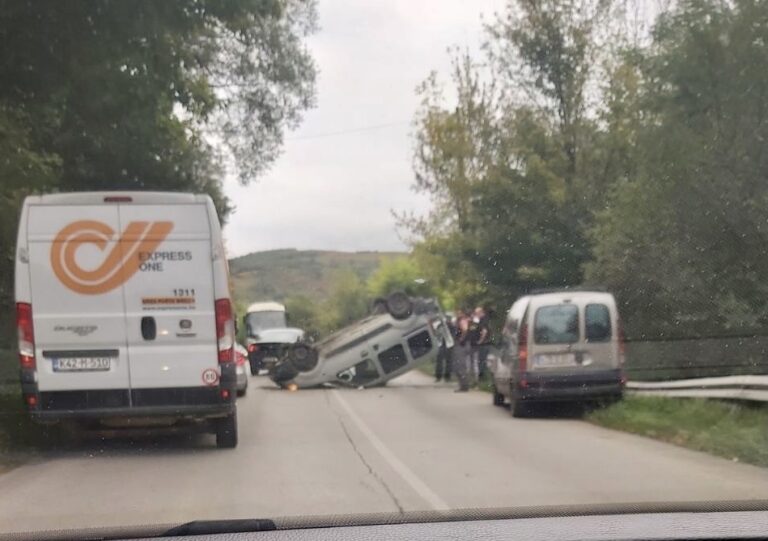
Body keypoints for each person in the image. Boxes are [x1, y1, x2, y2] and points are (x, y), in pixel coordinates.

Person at [468, 306, 491, 385]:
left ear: (481, 312)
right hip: (483, 344)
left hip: (483, 344)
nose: (476, 314)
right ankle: (481, 379)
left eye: (476, 313)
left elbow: (484, 331)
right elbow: (473, 329)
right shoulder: (481, 320)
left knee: (481, 362)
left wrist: (480, 341)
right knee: (481, 362)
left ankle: (481, 379)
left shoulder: (484, 320)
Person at [452, 309, 472, 392]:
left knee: (460, 366)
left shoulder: (462, 320)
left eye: (459, 312)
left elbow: (465, 330)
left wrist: (461, 339)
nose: (457, 314)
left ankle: (464, 386)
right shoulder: (462, 320)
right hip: (463, 345)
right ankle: (463, 385)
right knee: (460, 365)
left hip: (461, 345)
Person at [434, 315, 454, 382]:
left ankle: (447, 377)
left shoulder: (452, 326)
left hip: (449, 344)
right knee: (440, 361)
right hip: (441, 344)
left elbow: (453, 336)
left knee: (448, 361)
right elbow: (436, 334)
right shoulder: (440, 326)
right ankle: (439, 376)